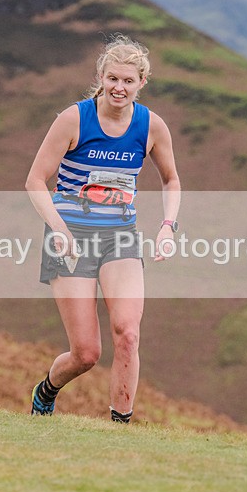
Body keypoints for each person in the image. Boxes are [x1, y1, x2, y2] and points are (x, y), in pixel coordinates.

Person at [25, 34, 181, 424]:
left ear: (141, 84)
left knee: (127, 333)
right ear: (101, 76)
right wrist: (58, 228)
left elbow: (171, 180)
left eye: (128, 81)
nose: (119, 88)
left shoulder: (151, 126)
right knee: (86, 354)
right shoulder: (74, 119)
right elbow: (35, 181)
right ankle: (46, 390)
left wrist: (167, 227)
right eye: (113, 78)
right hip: (71, 239)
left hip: (121, 238)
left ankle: (120, 428)